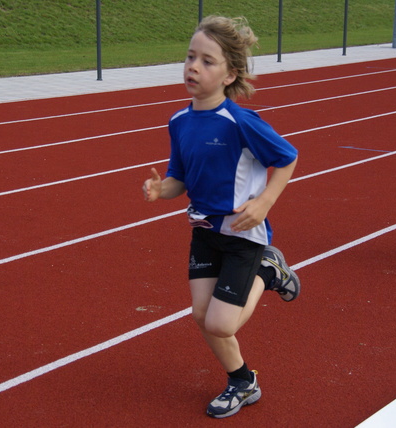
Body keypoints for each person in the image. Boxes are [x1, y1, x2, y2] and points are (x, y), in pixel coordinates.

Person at [142, 15, 301, 418]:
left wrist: (264, 202)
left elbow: (287, 158)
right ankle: (242, 382)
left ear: (230, 74)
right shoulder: (179, 121)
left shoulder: (241, 121)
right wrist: (162, 190)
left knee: (219, 323)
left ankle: (269, 270)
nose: (193, 66)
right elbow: (179, 177)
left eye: (207, 61)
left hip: (242, 235)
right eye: (190, 57)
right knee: (201, 315)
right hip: (203, 231)